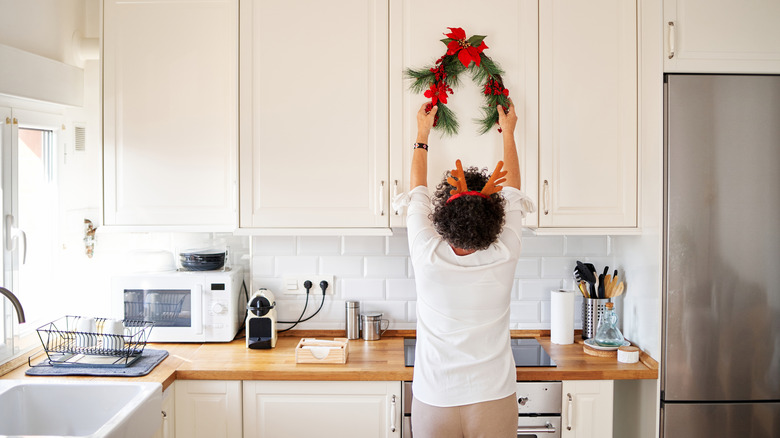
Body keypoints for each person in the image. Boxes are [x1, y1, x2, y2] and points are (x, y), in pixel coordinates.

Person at [406, 101, 535, 438]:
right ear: (495, 218)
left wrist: (422, 133)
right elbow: (515, 192)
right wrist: (509, 132)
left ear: (442, 217)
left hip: (434, 398)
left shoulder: (425, 253)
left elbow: (417, 191)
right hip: (492, 396)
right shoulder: (504, 252)